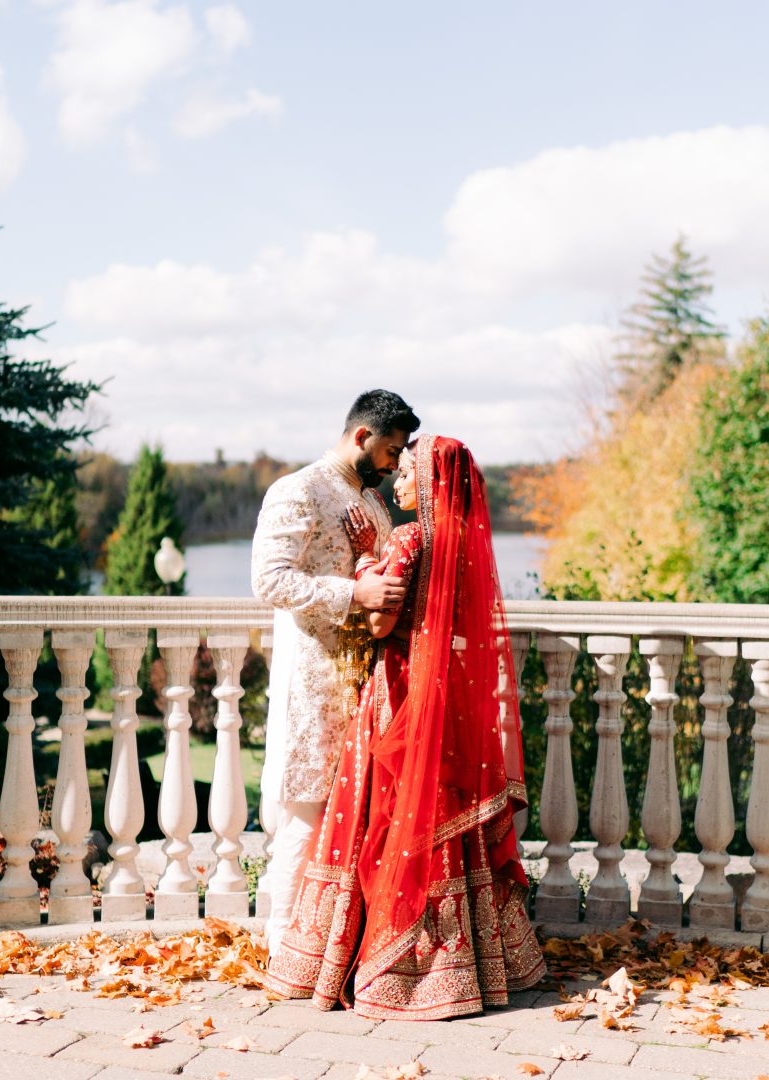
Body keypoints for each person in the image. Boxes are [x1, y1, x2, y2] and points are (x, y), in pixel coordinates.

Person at [266, 435, 546, 1020]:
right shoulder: (464, 544)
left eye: (407, 471)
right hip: (446, 693)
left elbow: (379, 621)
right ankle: (472, 966)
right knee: (441, 815)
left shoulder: (412, 537)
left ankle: (375, 960)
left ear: (429, 484)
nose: (397, 481)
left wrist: (368, 560)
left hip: (398, 689)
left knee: (387, 818)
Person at [251, 389, 419, 949]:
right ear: (361, 436)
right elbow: (269, 581)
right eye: (391, 451)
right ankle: (281, 944)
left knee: (355, 811)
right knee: (307, 809)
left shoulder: (372, 503)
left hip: (366, 679)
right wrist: (356, 591)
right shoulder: (297, 489)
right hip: (314, 677)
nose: (396, 464)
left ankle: (328, 943)